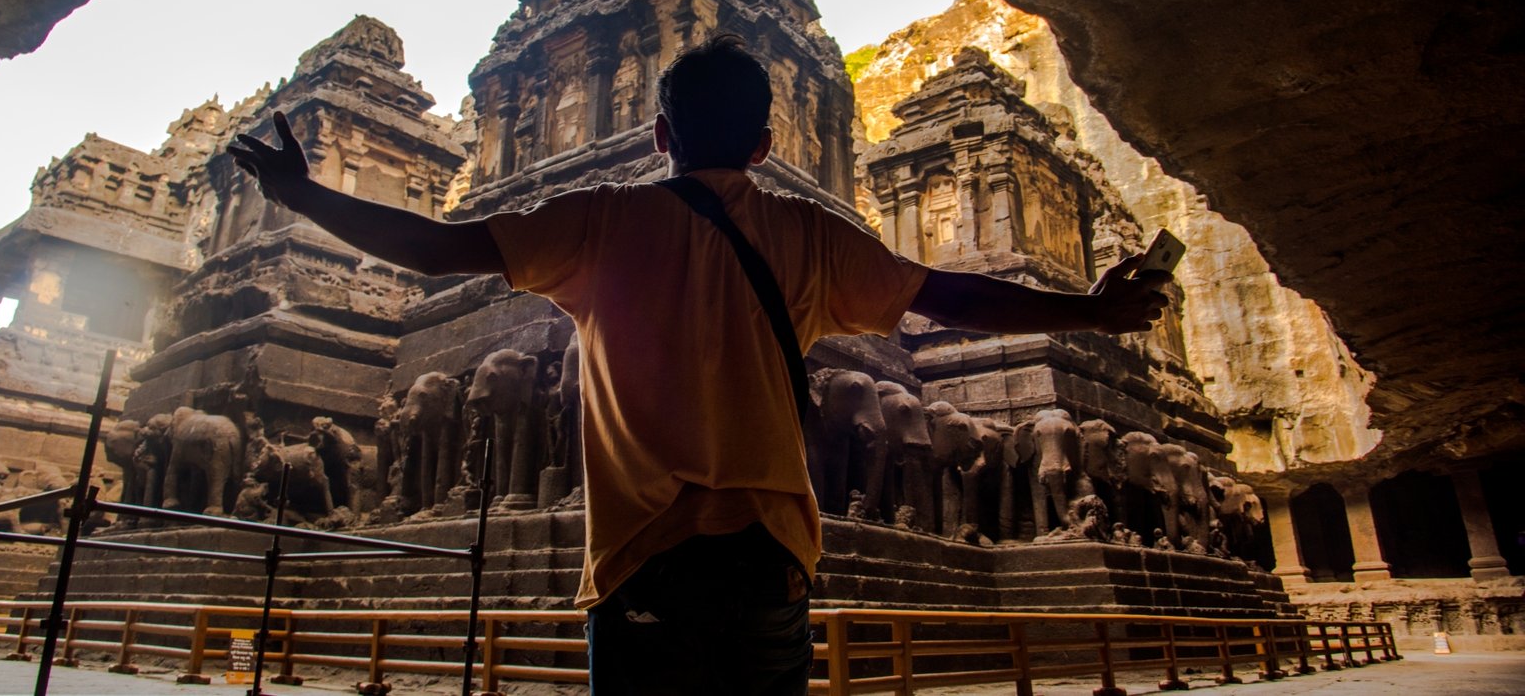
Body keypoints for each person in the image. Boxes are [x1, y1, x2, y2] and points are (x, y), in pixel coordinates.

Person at [228, 34, 1170, 695]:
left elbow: (435, 248)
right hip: (771, 561)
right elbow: (953, 298)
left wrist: (302, 194)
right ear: (769, 143)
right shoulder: (812, 234)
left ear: (657, 135)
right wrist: (1095, 310)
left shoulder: (602, 220)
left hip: (644, 561)